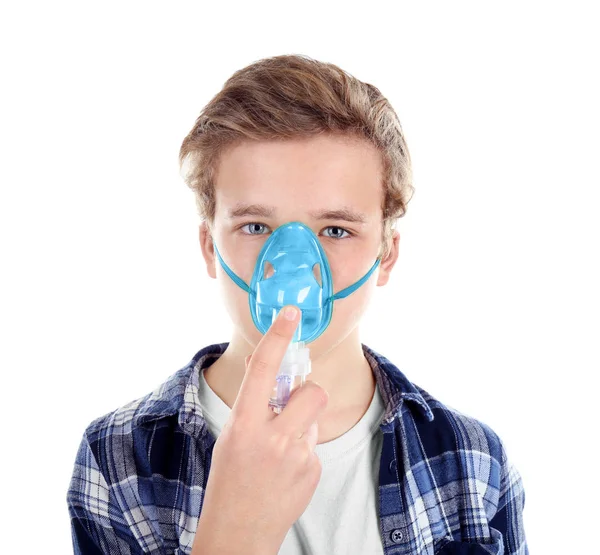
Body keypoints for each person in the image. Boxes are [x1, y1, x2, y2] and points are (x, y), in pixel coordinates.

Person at [67, 54, 528, 555]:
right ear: (209, 247)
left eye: (336, 230)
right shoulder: (121, 460)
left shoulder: (473, 463)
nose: (290, 268)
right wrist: (234, 532)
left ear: (387, 253)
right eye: (255, 227)